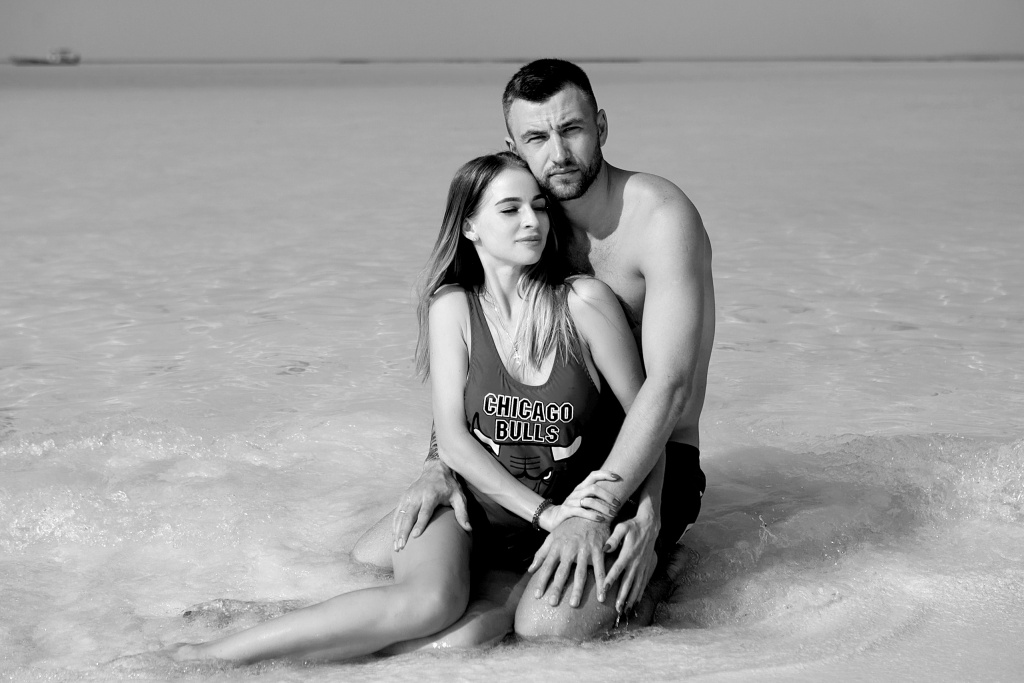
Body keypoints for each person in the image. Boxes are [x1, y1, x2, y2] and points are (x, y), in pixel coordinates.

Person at [168, 152, 654, 663]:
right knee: (427, 605)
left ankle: (288, 626)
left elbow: (649, 421)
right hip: (470, 509)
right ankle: (203, 657)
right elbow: (454, 441)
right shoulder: (453, 308)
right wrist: (544, 513)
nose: (532, 221)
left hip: (558, 529)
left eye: (538, 206)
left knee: (462, 642)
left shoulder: (583, 303)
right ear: (470, 226)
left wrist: (647, 517)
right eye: (510, 210)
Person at [353, 58, 715, 639]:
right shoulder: (532, 224)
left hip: (652, 460)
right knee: (371, 560)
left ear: (601, 126)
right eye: (537, 138)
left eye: (572, 130)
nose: (559, 154)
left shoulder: (659, 218)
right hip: (548, 452)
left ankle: (664, 572)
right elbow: (483, 360)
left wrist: (625, 512)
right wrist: (437, 462)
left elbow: (668, 387)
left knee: (548, 631)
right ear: (514, 148)